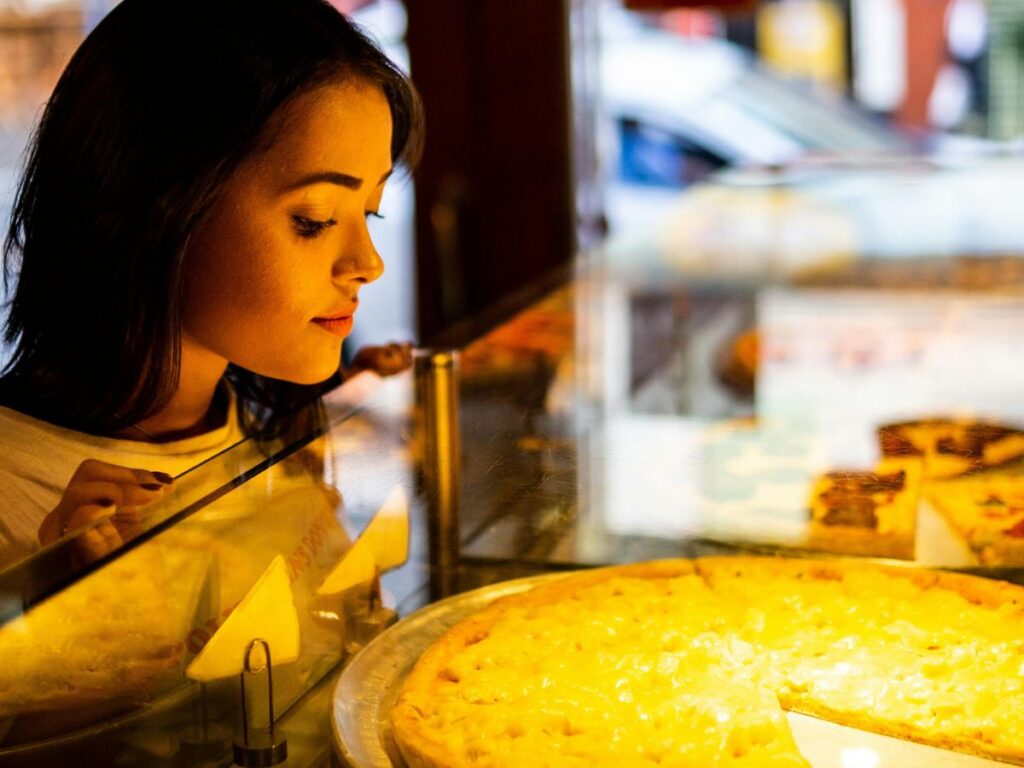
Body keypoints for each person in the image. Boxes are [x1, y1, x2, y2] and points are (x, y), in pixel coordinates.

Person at [0, 0, 422, 569]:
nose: (369, 264)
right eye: (315, 219)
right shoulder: (17, 497)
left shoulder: (258, 439)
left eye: (368, 213)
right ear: (158, 206)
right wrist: (48, 604)